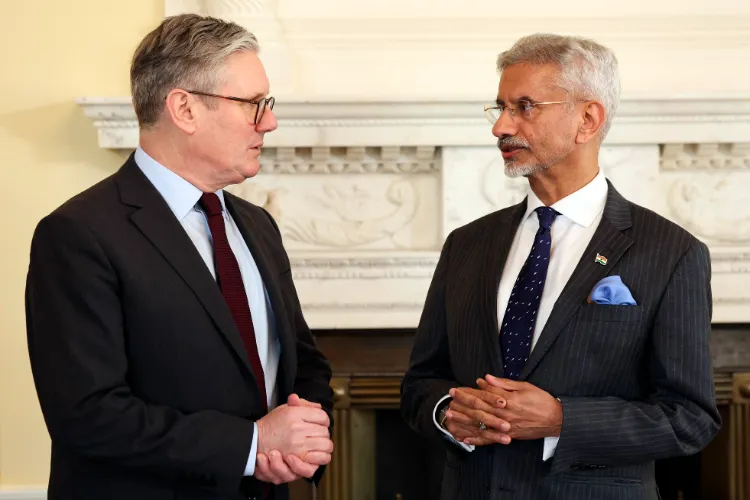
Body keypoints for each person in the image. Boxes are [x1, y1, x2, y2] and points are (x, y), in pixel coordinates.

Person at [25, 14, 334, 500]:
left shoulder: (257, 225)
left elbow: (304, 363)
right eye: (253, 104)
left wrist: (302, 437)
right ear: (184, 109)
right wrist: (253, 444)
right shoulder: (77, 234)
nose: (269, 122)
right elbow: (88, 414)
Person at [400, 33, 721, 500]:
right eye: (501, 107)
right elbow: (419, 385)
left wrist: (561, 420)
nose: (500, 127)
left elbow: (690, 419)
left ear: (587, 119)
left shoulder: (672, 253)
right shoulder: (466, 245)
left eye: (525, 107)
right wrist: (447, 410)